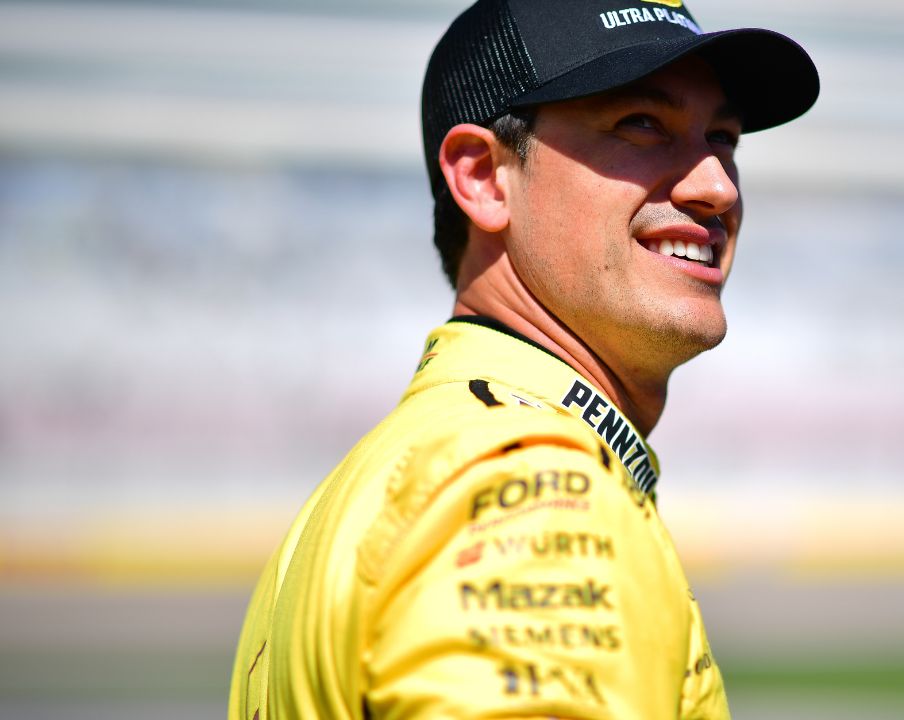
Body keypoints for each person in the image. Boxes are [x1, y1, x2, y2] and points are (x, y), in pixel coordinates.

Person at [228, 0, 818, 717]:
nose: (718, 186)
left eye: (723, 138)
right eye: (642, 124)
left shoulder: (386, 477)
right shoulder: (531, 486)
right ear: (482, 177)